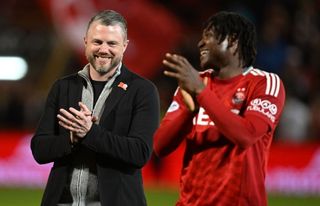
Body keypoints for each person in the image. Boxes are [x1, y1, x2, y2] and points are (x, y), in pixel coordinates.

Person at [154, 11, 285, 206]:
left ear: (231, 41)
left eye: (208, 36)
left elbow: (246, 135)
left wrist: (201, 93)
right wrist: (189, 111)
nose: (200, 43)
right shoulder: (195, 83)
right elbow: (160, 147)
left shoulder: (264, 83)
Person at [31, 10, 160, 206]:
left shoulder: (142, 90)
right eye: (97, 42)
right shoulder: (63, 87)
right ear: (85, 42)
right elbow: (39, 150)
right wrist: (72, 138)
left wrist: (90, 133)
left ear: (124, 46)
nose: (103, 49)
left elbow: (139, 153)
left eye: (112, 43)